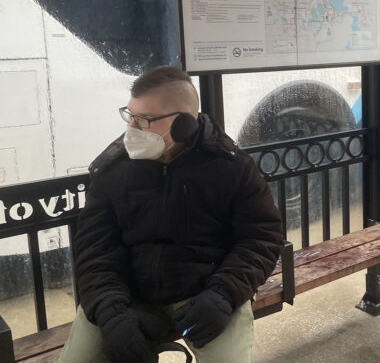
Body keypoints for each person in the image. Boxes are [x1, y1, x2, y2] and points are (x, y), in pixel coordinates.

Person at [56, 66, 283, 363]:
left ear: (183, 125)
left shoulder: (231, 167)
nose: (132, 128)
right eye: (130, 115)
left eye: (145, 120)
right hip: (128, 294)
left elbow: (261, 236)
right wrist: (110, 310)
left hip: (208, 291)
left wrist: (224, 294)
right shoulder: (114, 169)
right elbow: (95, 248)